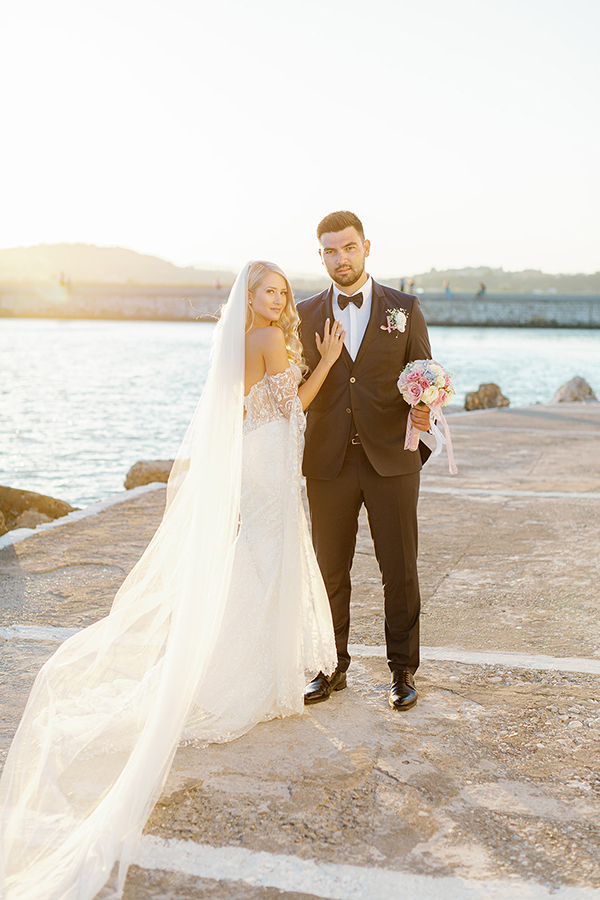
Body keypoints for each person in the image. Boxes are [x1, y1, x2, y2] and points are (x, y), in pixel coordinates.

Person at [0, 261, 343, 900]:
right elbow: (292, 407)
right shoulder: (268, 339)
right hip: (270, 465)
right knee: (267, 565)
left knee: (259, 562)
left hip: (257, 461)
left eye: (282, 292)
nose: (278, 300)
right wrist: (326, 361)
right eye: (268, 291)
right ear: (249, 297)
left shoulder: (240, 342)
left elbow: (251, 414)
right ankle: (241, 677)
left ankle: (250, 669)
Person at [298, 211, 432, 713]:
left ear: (366, 247)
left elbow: (424, 375)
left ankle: (402, 670)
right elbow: (293, 388)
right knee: (328, 570)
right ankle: (330, 665)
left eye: (349, 247)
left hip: (392, 459)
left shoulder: (404, 308)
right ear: (321, 256)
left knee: (399, 569)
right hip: (327, 461)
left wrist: (425, 409)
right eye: (331, 251)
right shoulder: (303, 314)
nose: (341, 258)